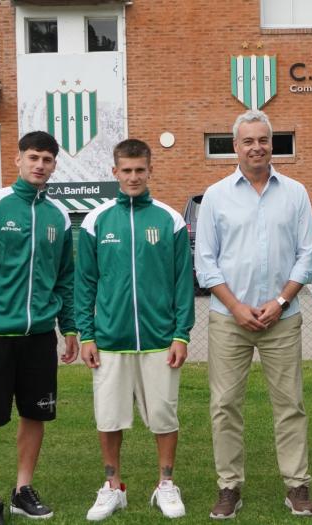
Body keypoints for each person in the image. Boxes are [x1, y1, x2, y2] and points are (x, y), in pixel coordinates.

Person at [194, 109, 312, 518]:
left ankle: (297, 485)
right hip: (229, 319)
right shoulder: (215, 195)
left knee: (290, 404)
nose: (256, 147)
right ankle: (229, 487)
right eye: (248, 141)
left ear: (272, 143)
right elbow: (206, 262)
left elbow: (306, 256)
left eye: (263, 140)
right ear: (236, 146)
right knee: (225, 405)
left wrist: (280, 301)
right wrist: (236, 306)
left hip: (282, 318)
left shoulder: (295, 192)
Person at [0, 131, 79, 525]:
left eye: (46, 158)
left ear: (55, 164)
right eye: (33, 157)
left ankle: (22, 490)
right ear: (18, 160)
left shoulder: (58, 216)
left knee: (35, 414)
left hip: (39, 336)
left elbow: (65, 277)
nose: (39, 164)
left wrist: (70, 327)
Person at [76, 139, 195, 520]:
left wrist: (181, 334)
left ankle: (166, 485)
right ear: (114, 173)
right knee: (109, 418)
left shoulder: (168, 219)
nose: (133, 177)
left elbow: (182, 283)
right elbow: (85, 283)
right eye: (125, 171)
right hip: (110, 341)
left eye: (139, 170)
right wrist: (87, 334)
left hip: (160, 340)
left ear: (150, 170)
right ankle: (113, 486)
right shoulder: (97, 221)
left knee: (163, 416)